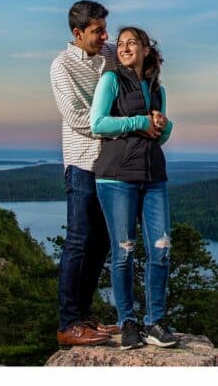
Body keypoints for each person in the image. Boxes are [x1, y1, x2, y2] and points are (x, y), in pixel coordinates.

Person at [50, 0, 142, 347]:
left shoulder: (109, 53)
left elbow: (134, 78)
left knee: (103, 242)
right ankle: (68, 322)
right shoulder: (61, 67)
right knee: (79, 240)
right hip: (82, 162)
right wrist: (120, 128)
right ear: (77, 33)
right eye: (97, 31)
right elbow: (75, 117)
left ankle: (84, 317)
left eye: (106, 28)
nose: (106, 36)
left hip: (114, 164)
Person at [90, 26, 178, 350]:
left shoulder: (158, 89)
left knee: (161, 249)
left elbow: (162, 136)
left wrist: (163, 126)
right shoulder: (112, 80)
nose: (124, 47)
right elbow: (97, 123)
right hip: (116, 177)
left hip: (154, 177)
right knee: (124, 251)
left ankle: (154, 323)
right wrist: (139, 122)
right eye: (121, 43)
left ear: (145, 48)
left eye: (132, 43)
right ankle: (128, 323)